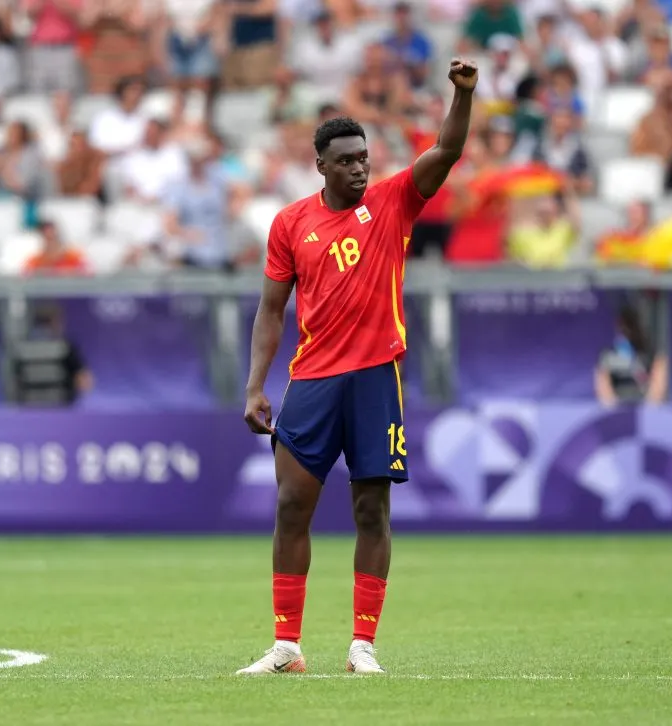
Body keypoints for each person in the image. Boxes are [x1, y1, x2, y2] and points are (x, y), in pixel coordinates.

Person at [238, 57, 477, 676]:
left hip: (376, 377)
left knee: (371, 508)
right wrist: (255, 384)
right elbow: (270, 310)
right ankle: (287, 646)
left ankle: (361, 645)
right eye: (345, 159)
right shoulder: (291, 223)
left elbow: (448, 149)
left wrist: (463, 94)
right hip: (312, 379)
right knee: (293, 506)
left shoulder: (395, 202)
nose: (359, 166)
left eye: (363, 156)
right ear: (320, 165)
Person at [594, 305, 668, 406]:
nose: (625, 335)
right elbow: (603, 389)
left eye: (629, 330)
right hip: (617, 405)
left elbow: (657, 389)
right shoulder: (607, 357)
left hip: (646, 403)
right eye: (621, 330)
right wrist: (614, 408)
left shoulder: (650, 355)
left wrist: (649, 407)